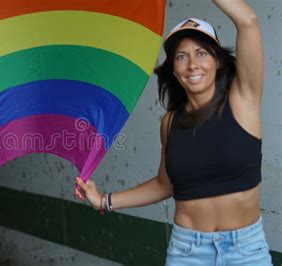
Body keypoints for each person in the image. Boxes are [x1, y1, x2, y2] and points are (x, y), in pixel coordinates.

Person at [75, 1, 273, 265]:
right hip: (187, 251)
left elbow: (248, 20)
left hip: (246, 251)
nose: (192, 64)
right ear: (173, 70)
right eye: (181, 56)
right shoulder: (169, 123)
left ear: (217, 60)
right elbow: (164, 185)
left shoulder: (243, 101)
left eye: (202, 53)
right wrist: (103, 201)